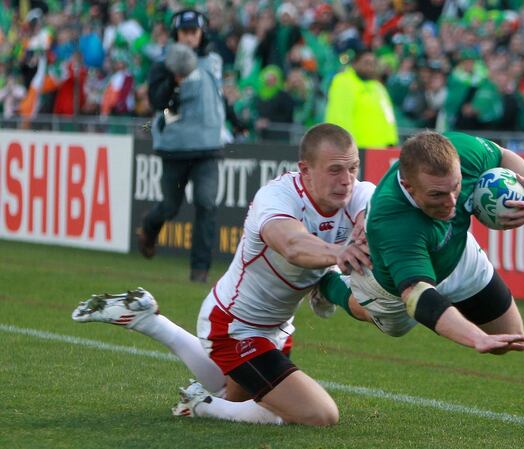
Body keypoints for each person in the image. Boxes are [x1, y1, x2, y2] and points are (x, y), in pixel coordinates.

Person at [73, 124, 374, 426]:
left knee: (234, 398)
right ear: (305, 169)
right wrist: (338, 254)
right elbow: (292, 245)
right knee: (319, 415)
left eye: (353, 168)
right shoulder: (277, 196)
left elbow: (371, 218)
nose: (346, 180)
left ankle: (149, 321)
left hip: (276, 329)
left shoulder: (360, 194)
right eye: (335, 170)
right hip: (235, 325)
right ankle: (201, 404)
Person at [316, 130, 524, 353]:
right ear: (408, 186)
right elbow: (417, 294)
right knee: (377, 315)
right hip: (391, 289)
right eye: (437, 194)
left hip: (456, 252)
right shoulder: (394, 222)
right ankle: (327, 283)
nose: (451, 203)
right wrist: (476, 338)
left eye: (456, 187)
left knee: (511, 337)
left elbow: (502, 154)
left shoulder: (462, 151)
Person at [139, 9, 226, 283]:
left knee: (207, 203)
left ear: (201, 33)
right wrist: (173, 82)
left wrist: (233, 119)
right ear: (176, 35)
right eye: (184, 32)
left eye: (194, 32)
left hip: (209, 147)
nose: (189, 37)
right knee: (170, 206)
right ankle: (149, 228)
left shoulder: (214, 61)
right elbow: (157, 102)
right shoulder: (163, 63)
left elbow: (217, 98)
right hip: (176, 147)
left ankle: (199, 272)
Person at [324, 49, 398, 149]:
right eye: (366, 63)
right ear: (355, 63)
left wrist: (391, 142)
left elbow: (389, 118)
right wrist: (345, 147)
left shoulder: (378, 87)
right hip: (356, 151)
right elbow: (339, 116)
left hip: (380, 151)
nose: (370, 67)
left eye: (373, 63)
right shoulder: (343, 82)